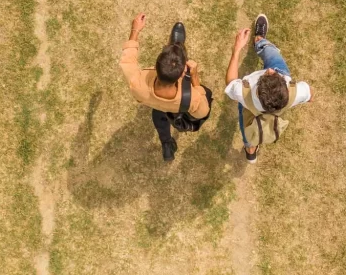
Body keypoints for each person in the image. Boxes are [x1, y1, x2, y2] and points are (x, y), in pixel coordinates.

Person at [119, 13, 213, 162]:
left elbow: (127, 61)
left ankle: (167, 145)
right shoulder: (192, 98)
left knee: (159, 119)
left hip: (154, 103)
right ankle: (178, 45)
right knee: (165, 115)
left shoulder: (138, 85)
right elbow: (203, 112)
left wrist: (135, 30)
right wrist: (194, 77)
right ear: (183, 73)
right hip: (177, 108)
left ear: (156, 66)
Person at [225, 14, 312, 163]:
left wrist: (237, 49)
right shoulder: (296, 93)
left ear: (257, 91)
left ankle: (250, 150)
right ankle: (260, 41)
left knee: (245, 119)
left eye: (268, 74)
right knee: (273, 57)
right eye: (274, 74)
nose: (271, 70)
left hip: (251, 108)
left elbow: (230, 82)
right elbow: (309, 94)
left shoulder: (243, 94)